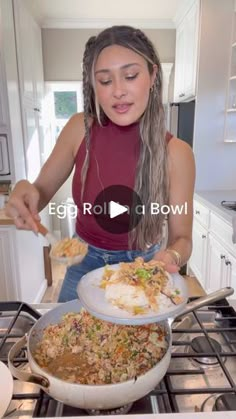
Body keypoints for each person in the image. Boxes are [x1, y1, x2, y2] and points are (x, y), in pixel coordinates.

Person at [5, 25, 195, 302]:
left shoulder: (177, 153)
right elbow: (40, 191)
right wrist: (25, 191)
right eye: (105, 81)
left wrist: (170, 255)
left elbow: (183, 238)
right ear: (93, 86)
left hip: (141, 267)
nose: (118, 90)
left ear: (153, 75)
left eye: (130, 76)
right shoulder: (77, 129)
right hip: (82, 263)